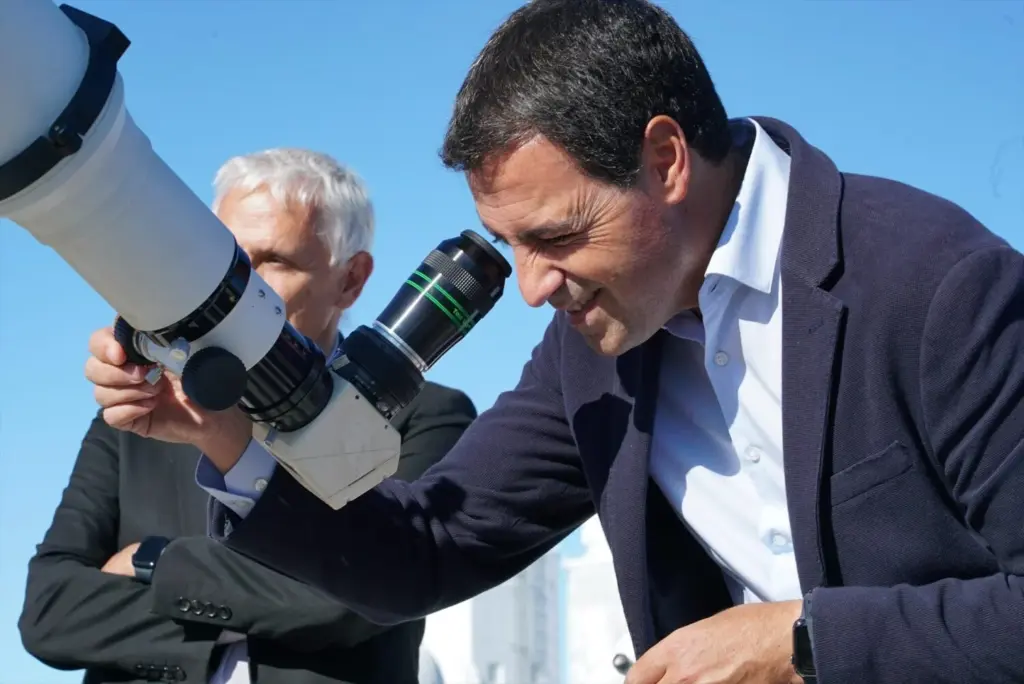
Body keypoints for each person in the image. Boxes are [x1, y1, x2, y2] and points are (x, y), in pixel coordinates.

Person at [83, 1, 1024, 683]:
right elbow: (428, 549)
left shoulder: (937, 285)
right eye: (510, 246)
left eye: (558, 238)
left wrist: (804, 640)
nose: (532, 287)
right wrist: (220, 437)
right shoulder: (597, 344)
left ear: (666, 159)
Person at [20, 148, 477, 684]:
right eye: (226, 261)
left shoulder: (423, 418)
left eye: (274, 261)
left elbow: (360, 595)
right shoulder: (140, 414)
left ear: (351, 279)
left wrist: (156, 562)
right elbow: (49, 612)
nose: (239, 288)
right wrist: (264, 601)